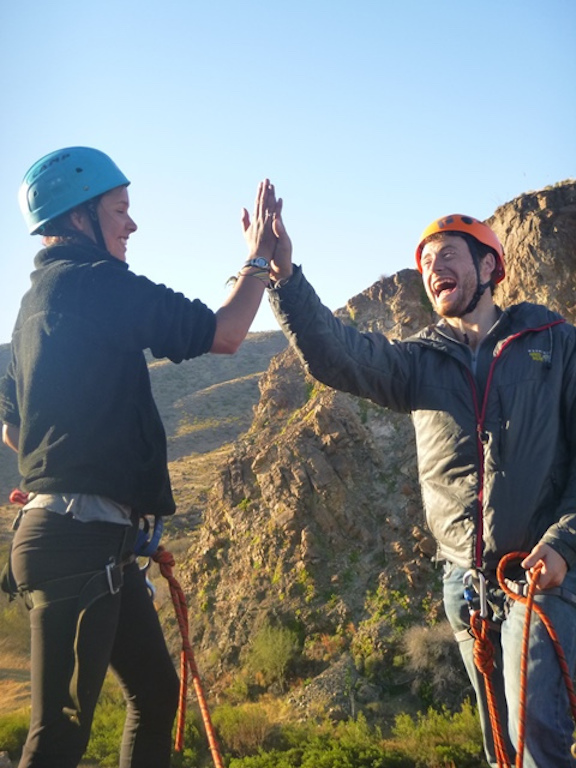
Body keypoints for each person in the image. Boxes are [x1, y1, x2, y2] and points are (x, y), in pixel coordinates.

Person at [0, 146, 283, 768]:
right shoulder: (98, 283)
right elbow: (228, 333)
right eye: (120, 210)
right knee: (60, 732)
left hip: (84, 538)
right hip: (79, 541)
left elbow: (14, 429)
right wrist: (260, 258)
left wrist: (60, 472)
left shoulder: (31, 307)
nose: (131, 225)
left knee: (156, 696)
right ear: (80, 218)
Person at [265, 210, 576, 767]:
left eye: (448, 255)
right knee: (500, 747)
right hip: (466, 586)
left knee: (538, 744)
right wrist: (284, 277)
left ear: (488, 264)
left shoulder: (554, 345)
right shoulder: (417, 361)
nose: (434, 269)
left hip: (537, 577)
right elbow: (337, 355)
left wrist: (565, 543)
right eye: (427, 263)